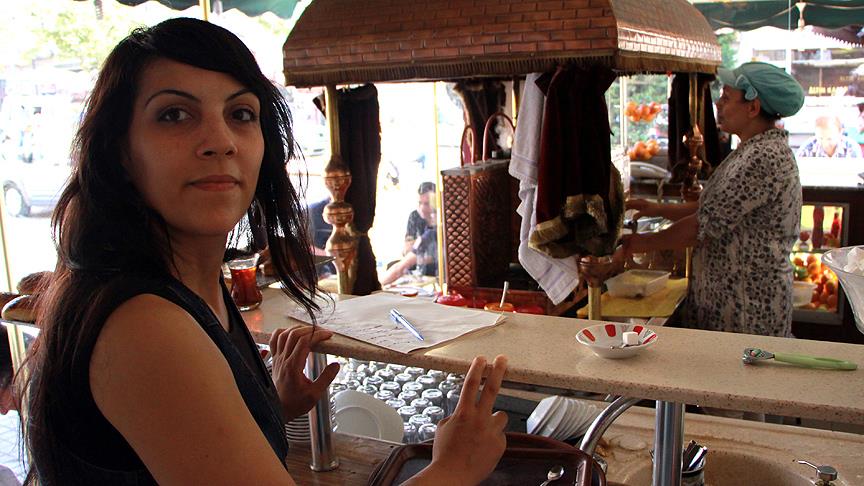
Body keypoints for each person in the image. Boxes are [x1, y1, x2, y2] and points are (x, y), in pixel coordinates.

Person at [21, 19, 508, 485]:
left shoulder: (196, 286)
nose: (220, 142)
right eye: (174, 114)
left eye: (240, 114)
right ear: (121, 152)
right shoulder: (144, 325)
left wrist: (268, 405)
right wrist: (454, 468)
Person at [618, 62, 805, 338]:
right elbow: (715, 208)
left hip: (746, 309)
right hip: (734, 303)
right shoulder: (752, 150)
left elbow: (702, 225)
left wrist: (637, 243)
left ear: (753, 108)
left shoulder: (762, 157)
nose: (718, 104)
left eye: (727, 98)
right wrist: (656, 208)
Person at [380, 182, 438, 286]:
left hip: (433, 271)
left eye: (427, 203)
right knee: (393, 265)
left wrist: (378, 286)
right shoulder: (416, 217)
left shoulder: (434, 231)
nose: (422, 208)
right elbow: (407, 250)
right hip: (418, 264)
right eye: (420, 203)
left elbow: (400, 267)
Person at [796, 115, 862, 159]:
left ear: (840, 133)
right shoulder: (808, 146)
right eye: (820, 138)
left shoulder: (852, 147)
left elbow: (858, 172)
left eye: (829, 139)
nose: (825, 143)